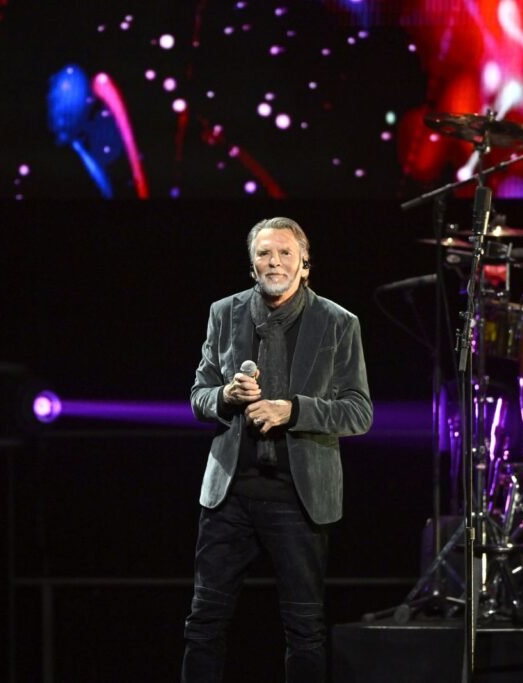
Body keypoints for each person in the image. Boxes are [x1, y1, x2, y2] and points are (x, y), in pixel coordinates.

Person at [182, 216, 373, 682]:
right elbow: (198, 396)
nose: (275, 262)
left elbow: (358, 412)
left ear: (305, 265)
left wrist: (294, 410)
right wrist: (226, 396)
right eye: (265, 253)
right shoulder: (223, 313)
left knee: (304, 629)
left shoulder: (337, 322)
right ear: (252, 266)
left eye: (286, 253)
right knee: (204, 623)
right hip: (229, 496)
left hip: (297, 496)